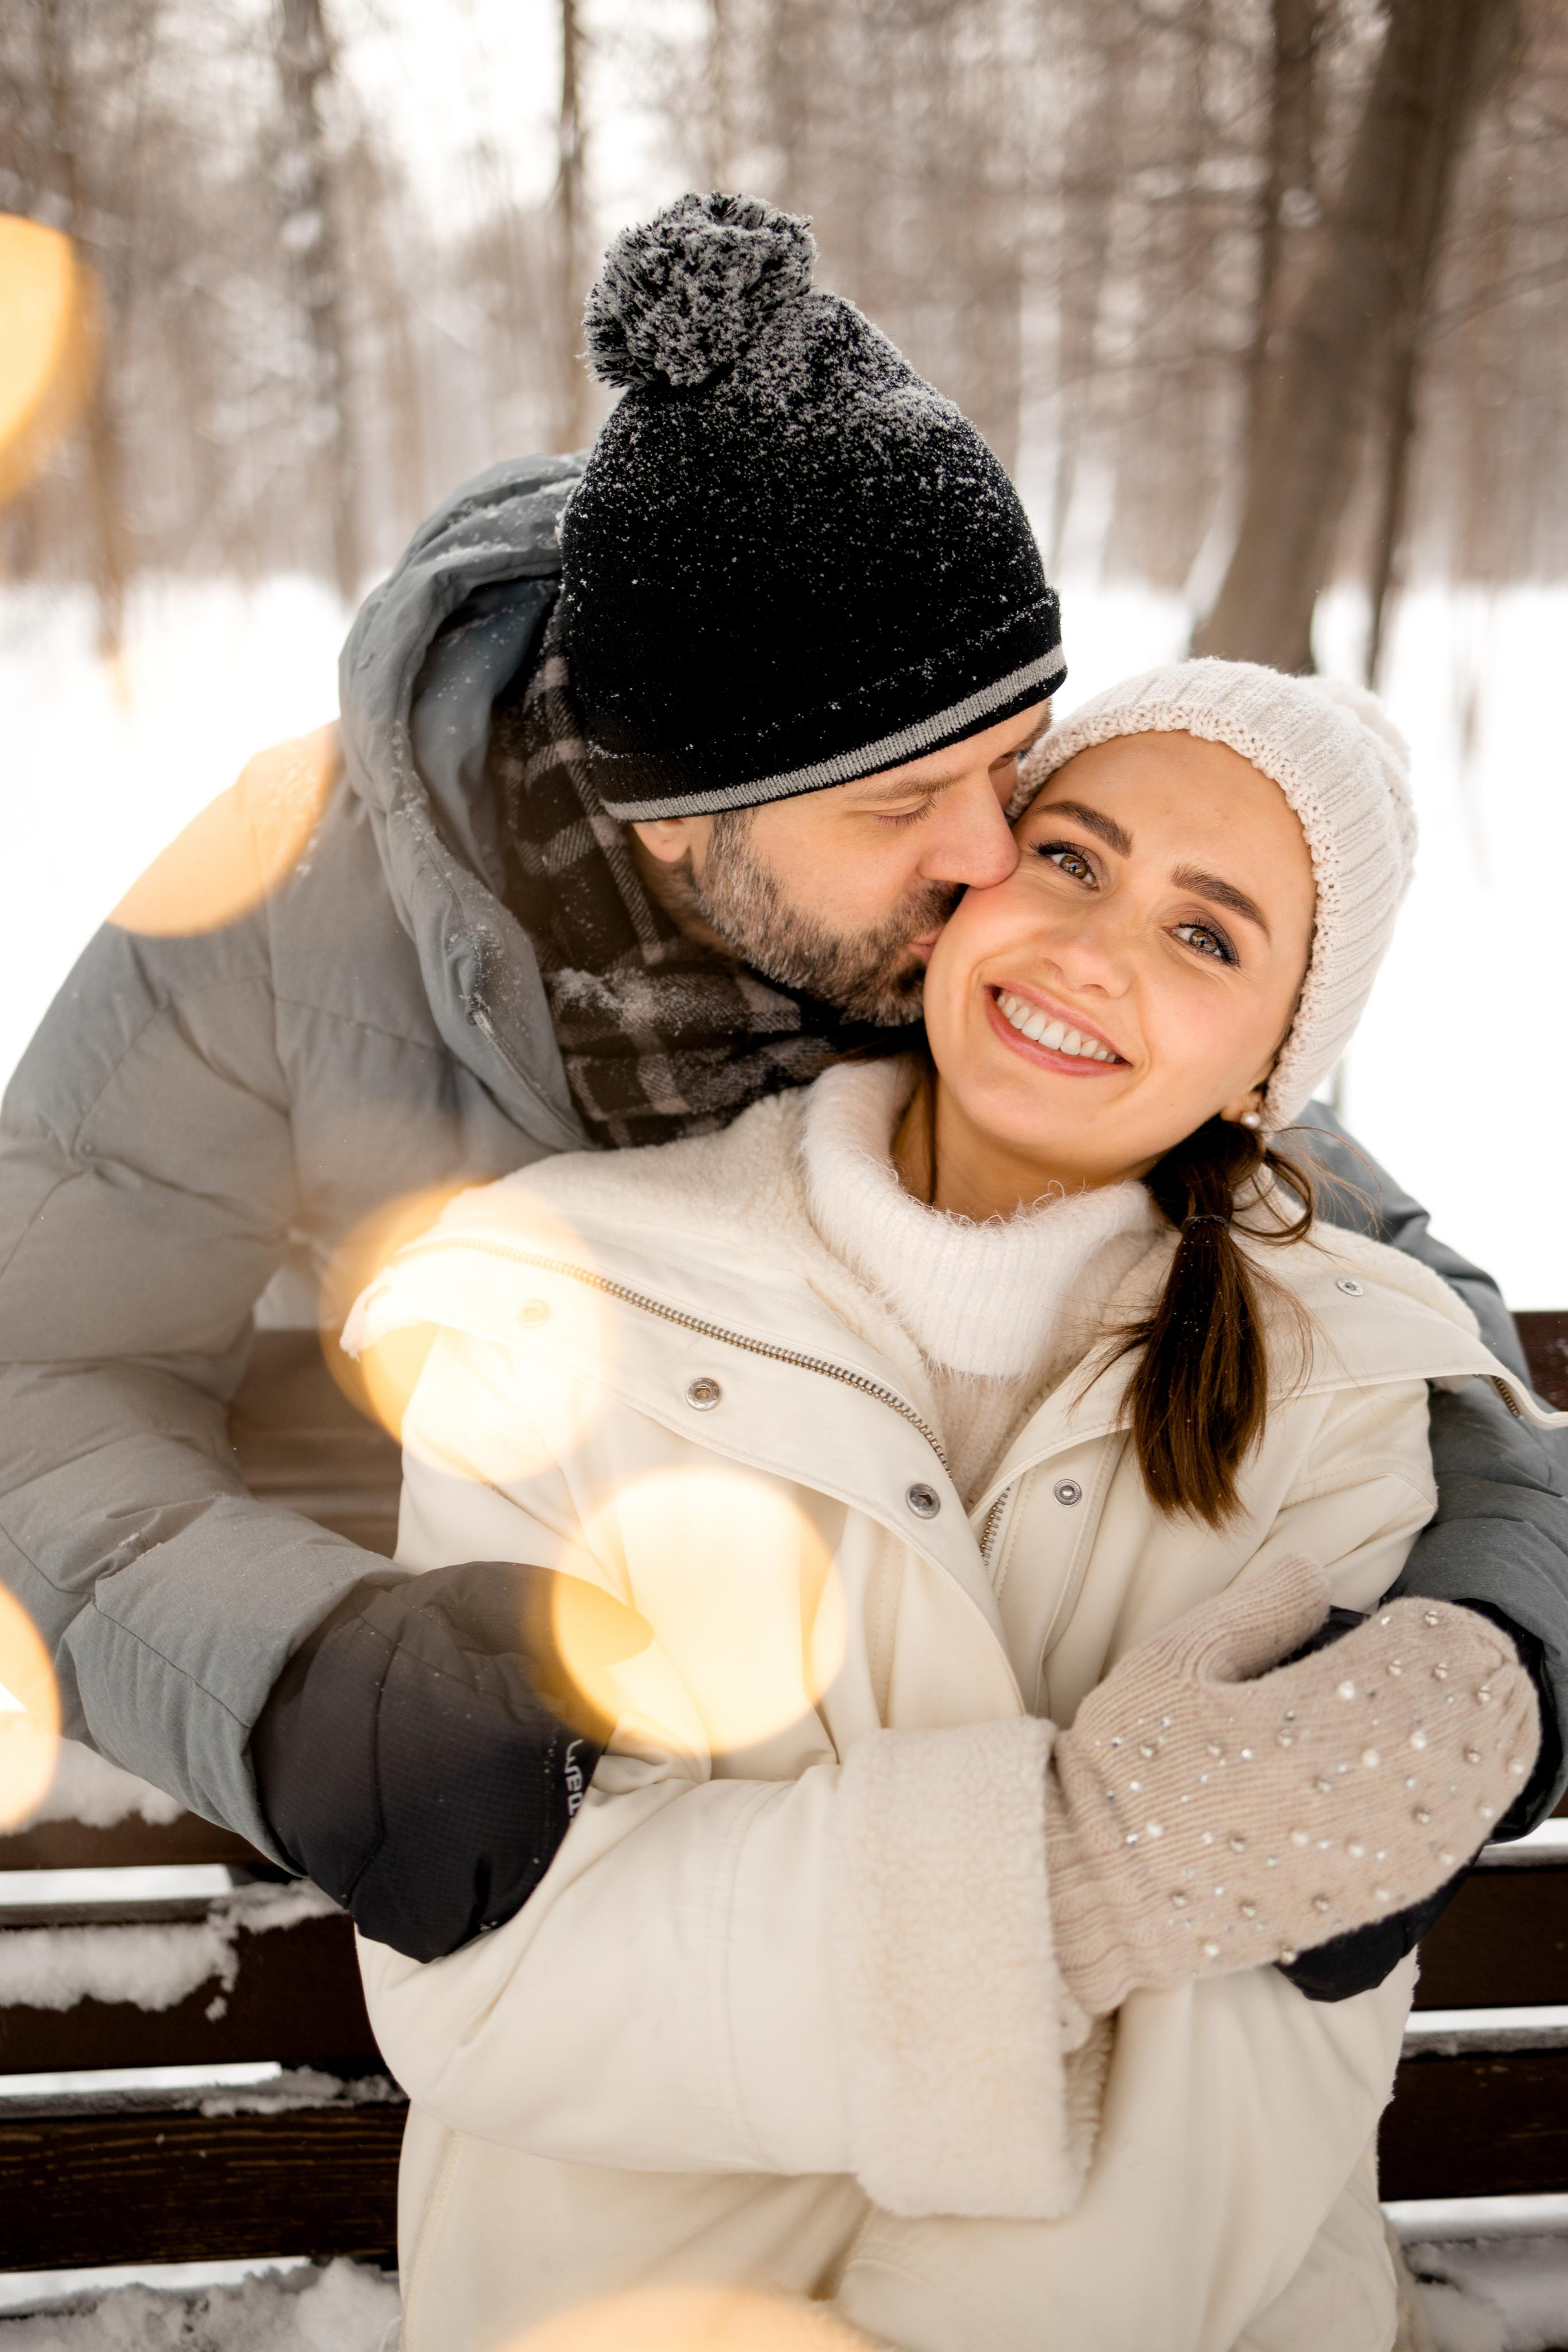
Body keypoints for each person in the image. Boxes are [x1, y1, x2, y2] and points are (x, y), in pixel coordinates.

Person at [0, 194, 1561, 1978]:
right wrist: (292, 1671)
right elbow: (34, 1370)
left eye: (1014, 762)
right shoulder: (281, 905)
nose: (998, 862)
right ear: (672, 817)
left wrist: (1487, 1650)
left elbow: (1383, 1288)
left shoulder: (975, 937)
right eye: (904, 805)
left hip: (925, 1842)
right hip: (543, 1897)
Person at [348, 663, 1550, 2352]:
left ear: (1278, 1061)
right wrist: (1064, 1887)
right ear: (962, 887)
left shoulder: (1339, 1392)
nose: (1093, 952)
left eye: (1208, 938)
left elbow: (1258, 2068)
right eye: (1072, 856)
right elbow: (494, 1979)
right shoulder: (557, 1296)